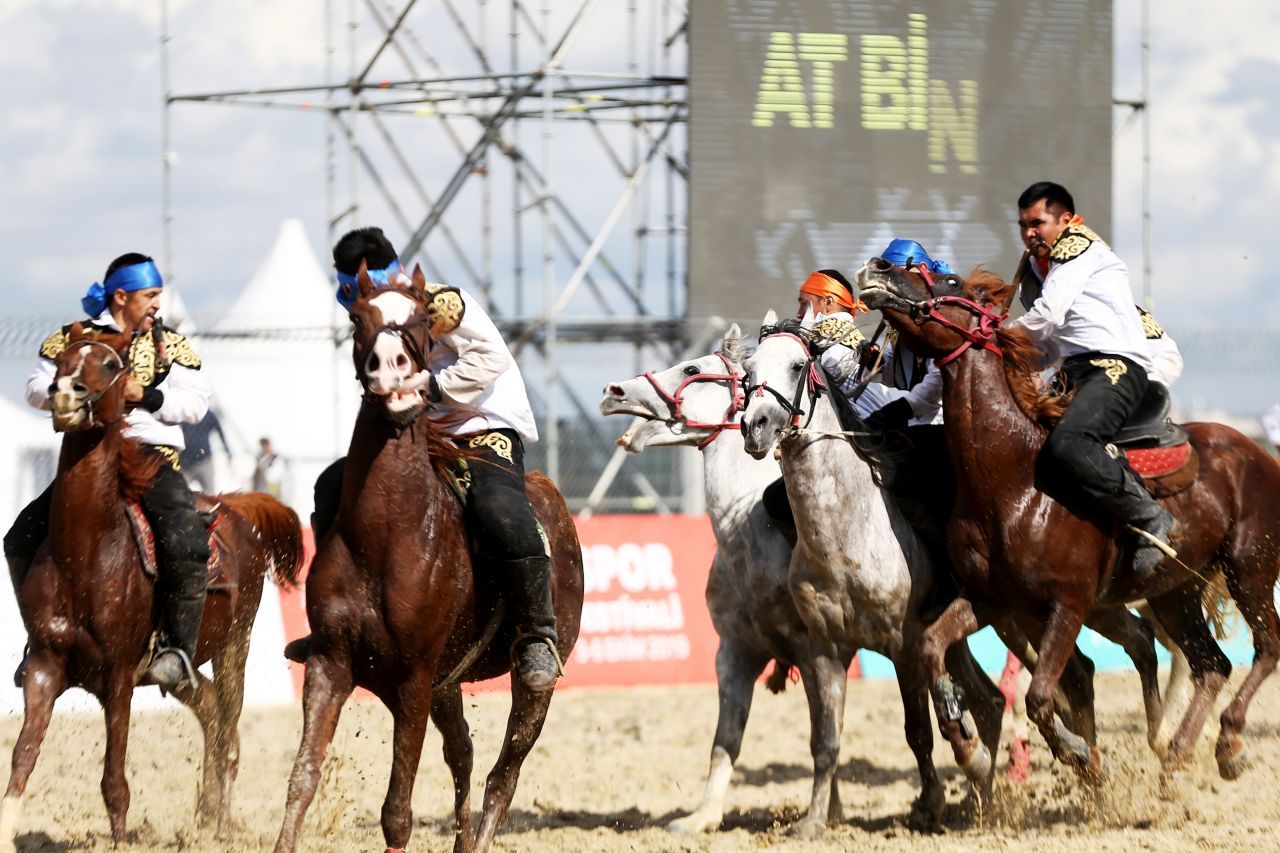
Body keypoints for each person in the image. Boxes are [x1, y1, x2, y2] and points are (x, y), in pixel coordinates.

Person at [310, 227, 559, 692]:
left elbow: (492, 358)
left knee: (498, 510)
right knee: (332, 486)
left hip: (479, 427)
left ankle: (536, 633)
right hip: (418, 433)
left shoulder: (442, 302)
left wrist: (433, 386)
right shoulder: (368, 314)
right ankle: (332, 619)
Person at [5, 253, 212, 690]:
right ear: (122, 296)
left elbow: (196, 404)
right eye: (151, 295)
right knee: (20, 536)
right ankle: (39, 642)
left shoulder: (169, 344)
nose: (158, 303)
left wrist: (147, 396)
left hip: (150, 457)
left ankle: (177, 650)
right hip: (87, 459)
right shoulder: (73, 339)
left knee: (187, 539)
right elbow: (34, 386)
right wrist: (65, 390)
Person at [1009, 181, 1176, 578]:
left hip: (1114, 368)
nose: (1030, 233)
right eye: (1023, 225)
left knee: (1069, 442)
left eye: (1038, 222)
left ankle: (1151, 518)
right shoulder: (1041, 267)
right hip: (1073, 371)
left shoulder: (1077, 246)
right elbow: (1049, 344)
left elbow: (1047, 316)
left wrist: (998, 338)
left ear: (1065, 220)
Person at [760, 269, 889, 540]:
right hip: (879, 433)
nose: (798, 312)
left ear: (827, 303)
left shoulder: (824, 344)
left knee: (775, 500)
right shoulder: (845, 337)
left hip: (866, 439)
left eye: (804, 302)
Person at [181, 408, 229, 492]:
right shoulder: (183, 411)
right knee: (179, 492)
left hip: (205, 461)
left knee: (210, 494)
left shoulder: (209, 414)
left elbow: (220, 431)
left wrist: (228, 452)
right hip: (185, 463)